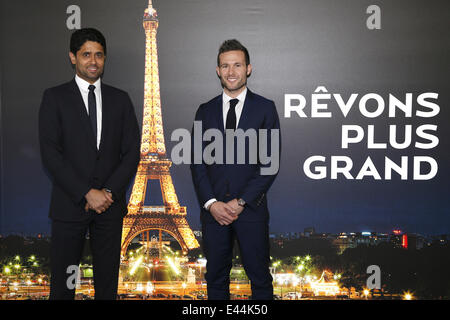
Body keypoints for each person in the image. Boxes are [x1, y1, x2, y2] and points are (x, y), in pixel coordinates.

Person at [38, 28, 140, 300]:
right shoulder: (54, 98)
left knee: (107, 286)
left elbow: (131, 153)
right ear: (73, 57)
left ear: (105, 58)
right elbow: (51, 154)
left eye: (99, 55)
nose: (93, 61)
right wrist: (87, 191)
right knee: (63, 286)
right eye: (86, 55)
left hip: (110, 206)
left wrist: (108, 193)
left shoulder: (120, 99)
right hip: (70, 204)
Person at [191, 39, 280, 300]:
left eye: (237, 65)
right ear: (218, 70)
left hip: (251, 210)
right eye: (225, 66)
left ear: (248, 68)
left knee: (260, 280)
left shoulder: (265, 108)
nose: (231, 72)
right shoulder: (204, 111)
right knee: (215, 280)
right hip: (213, 213)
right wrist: (211, 204)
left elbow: (270, 162)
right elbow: (197, 162)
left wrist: (241, 201)